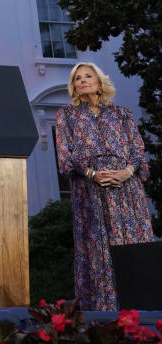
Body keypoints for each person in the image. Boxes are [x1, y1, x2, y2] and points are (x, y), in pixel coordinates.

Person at [54, 62, 155, 311]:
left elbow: (138, 154)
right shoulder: (66, 115)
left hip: (127, 191)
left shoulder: (122, 114)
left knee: (133, 245)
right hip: (90, 193)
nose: (82, 81)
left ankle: (142, 307)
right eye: (77, 79)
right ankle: (103, 311)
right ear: (73, 87)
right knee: (98, 250)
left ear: (100, 81)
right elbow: (65, 159)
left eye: (88, 76)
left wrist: (125, 173)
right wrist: (93, 175)